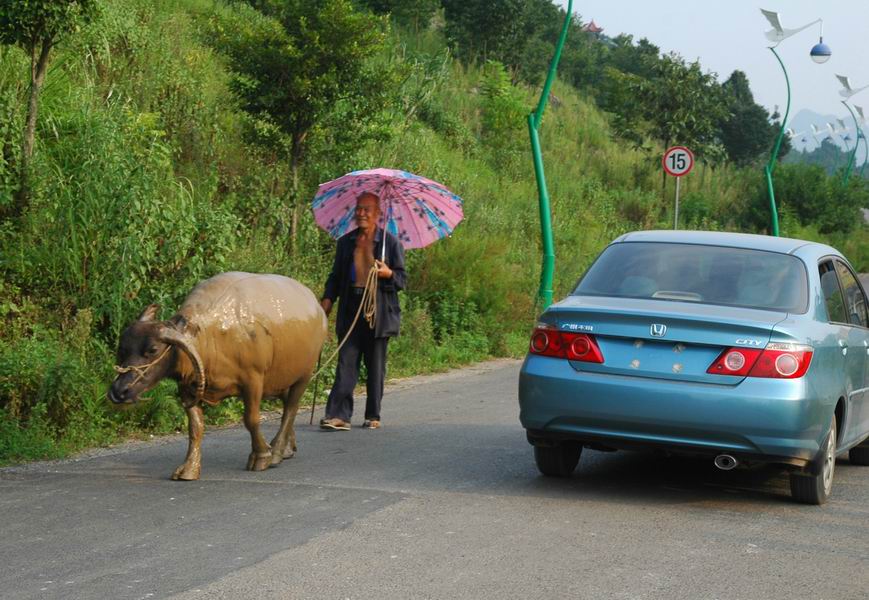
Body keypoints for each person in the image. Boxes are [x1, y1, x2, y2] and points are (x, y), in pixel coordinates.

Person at [319, 192, 406, 431]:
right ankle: (339, 415)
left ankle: (373, 414)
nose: (361, 213)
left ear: (378, 214)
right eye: (358, 208)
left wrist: (388, 274)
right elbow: (335, 277)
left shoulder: (391, 244)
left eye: (367, 209)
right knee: (346, 361)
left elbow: (402, 280)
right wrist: (327, 301)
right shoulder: (346, 243)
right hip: (351, 308)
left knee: (375, 366)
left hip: (378, 313)